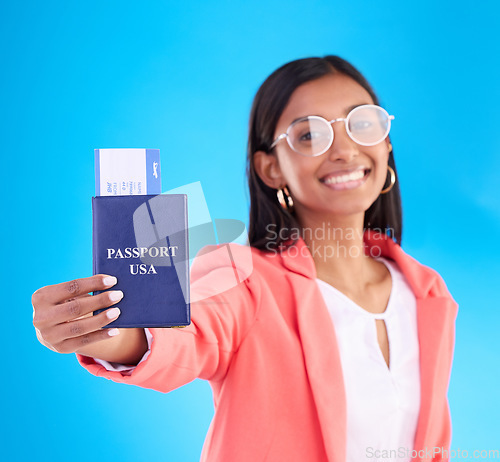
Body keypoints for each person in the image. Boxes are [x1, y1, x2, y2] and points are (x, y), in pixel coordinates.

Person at [32, 55, 458, 462]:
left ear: (384, 144)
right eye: (309, 134)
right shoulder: (241, 278)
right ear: (270, 168)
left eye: (361, 124)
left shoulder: (426, 291)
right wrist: (103, 329)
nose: (344, 150)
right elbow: (185, 336)